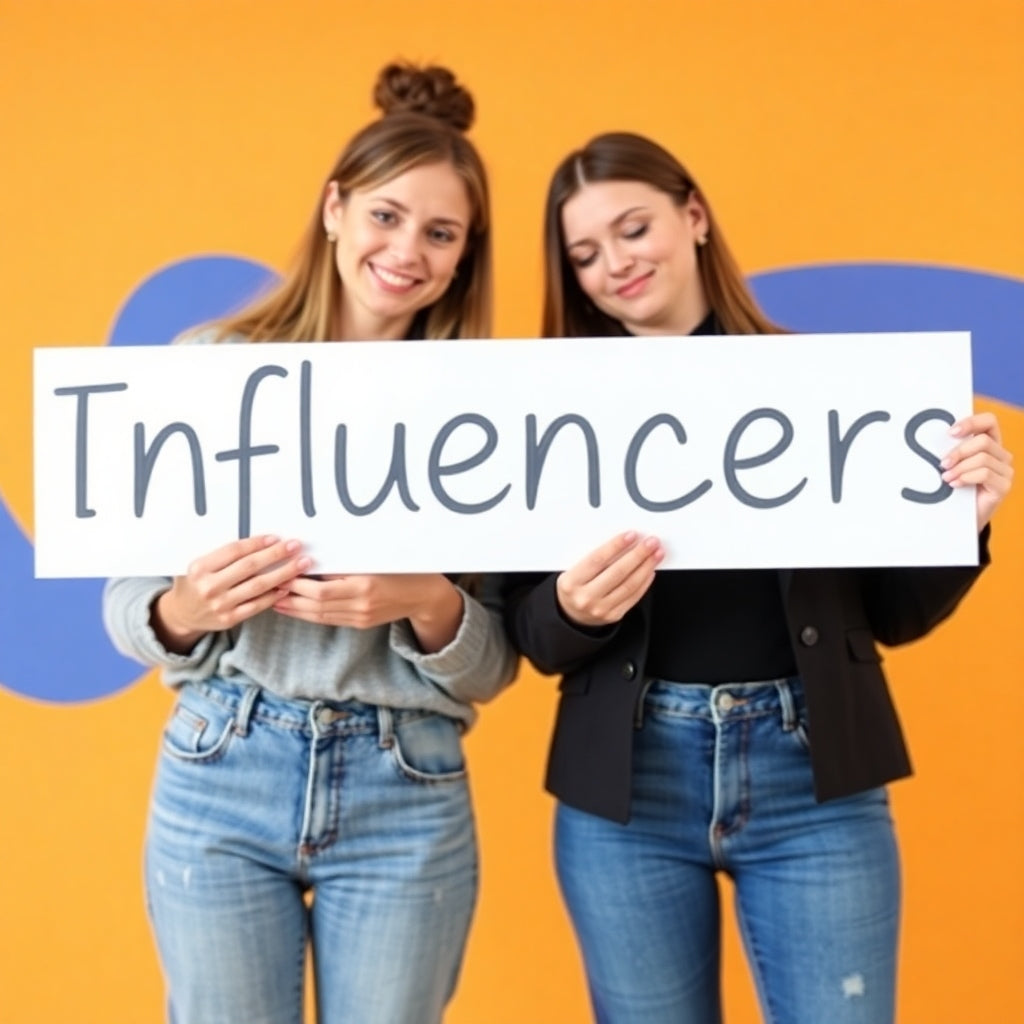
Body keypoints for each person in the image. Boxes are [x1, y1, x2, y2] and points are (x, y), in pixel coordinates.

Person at [503, 132, 1014, 1024]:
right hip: (627, 792)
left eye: (634, 229)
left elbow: (890, 617)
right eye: (585, 254)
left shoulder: (830, 390)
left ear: (693, 215)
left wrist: (957, 526)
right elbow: (530, 634)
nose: (614, 265)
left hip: (814, 777)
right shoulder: (552, 413)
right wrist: (572, 609)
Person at [103, 63, 516, 1024]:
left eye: (440, 232)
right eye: (385, 214)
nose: (407, 249)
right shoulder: (208, 369)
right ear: (334, 209)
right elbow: (130, 607)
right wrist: (183, 611)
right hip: (222, 765)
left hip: (405, 784)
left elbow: (494, 665)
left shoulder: (487, 414)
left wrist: (426, 602)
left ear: (462, 257)